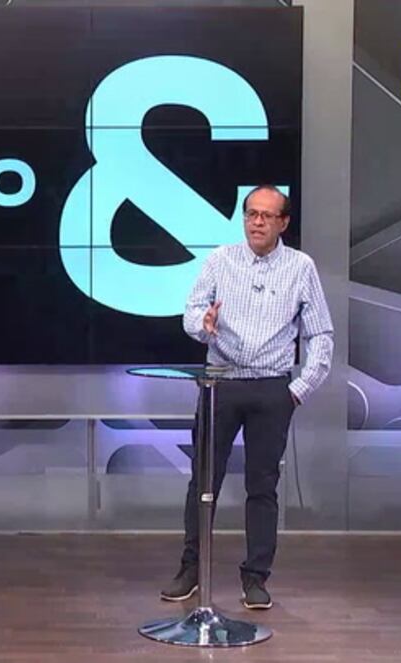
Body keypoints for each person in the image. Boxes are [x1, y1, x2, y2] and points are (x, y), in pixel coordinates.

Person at [161, 185, 333, 610]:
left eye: (266, 216)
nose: (257, 222)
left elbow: (321, 333)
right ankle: (192, 569)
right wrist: (203, 324)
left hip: (273, 390)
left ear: (283, 223)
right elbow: (190, 314)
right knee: (204, 482)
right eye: (251, 214)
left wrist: (298, 391)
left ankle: (255, 577)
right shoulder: (220, 260)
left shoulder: (301, 267)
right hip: (220, 384)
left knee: (263, 486)